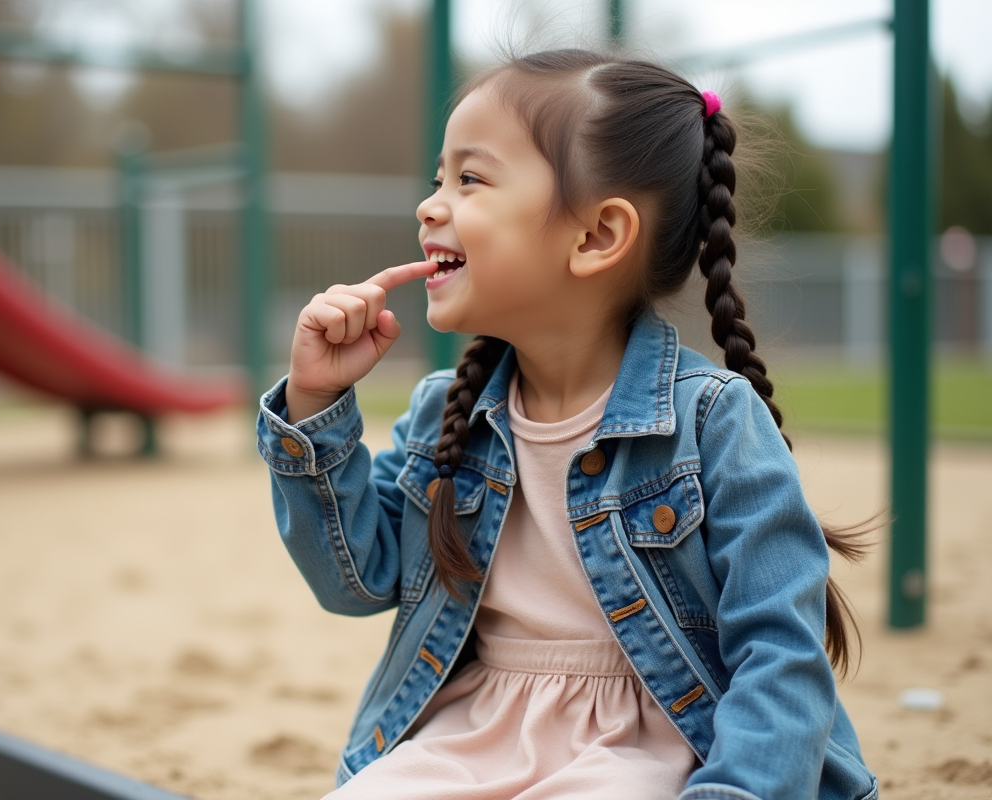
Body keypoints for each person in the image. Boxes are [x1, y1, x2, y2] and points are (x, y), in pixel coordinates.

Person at [256, 49, 877, 800]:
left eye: (470, 179)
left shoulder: (713, 421)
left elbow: (780, 656)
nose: (429, 205)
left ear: (595, 237)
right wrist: (315, 406)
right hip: (474, 733)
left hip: (662, 745)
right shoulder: (440, 411)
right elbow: (358, 582)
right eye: (437, 180)